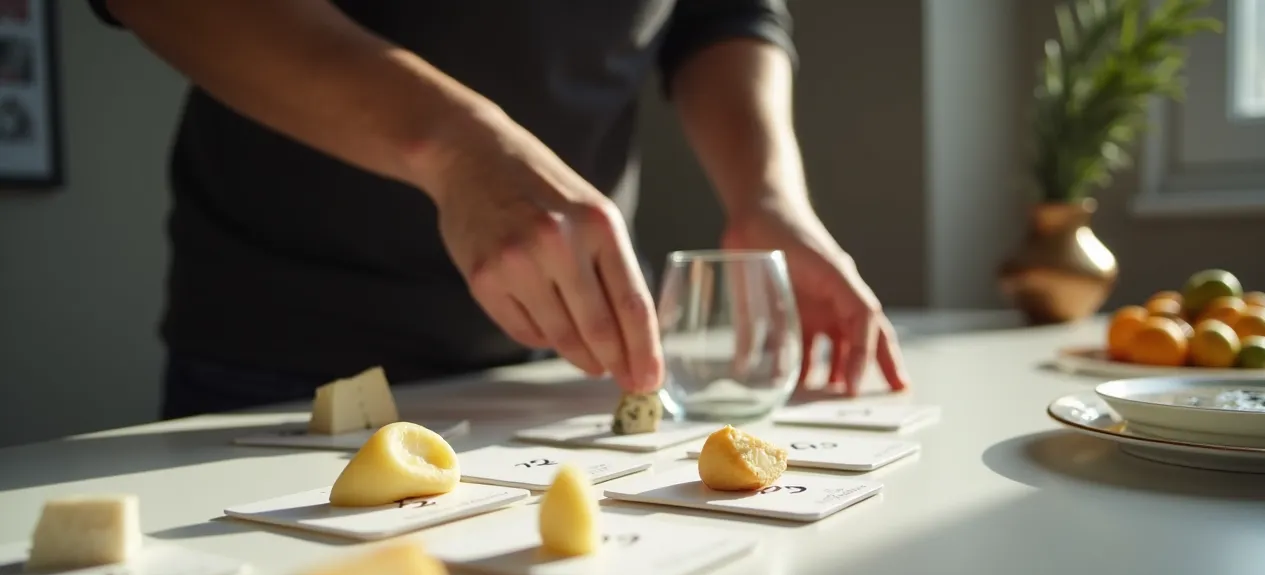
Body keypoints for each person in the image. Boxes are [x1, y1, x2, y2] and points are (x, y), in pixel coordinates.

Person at [88, 0, 909, 420]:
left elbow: (721, 12)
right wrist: (452, 143)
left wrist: (767, 193)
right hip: (281, 352)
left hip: (558, 365)